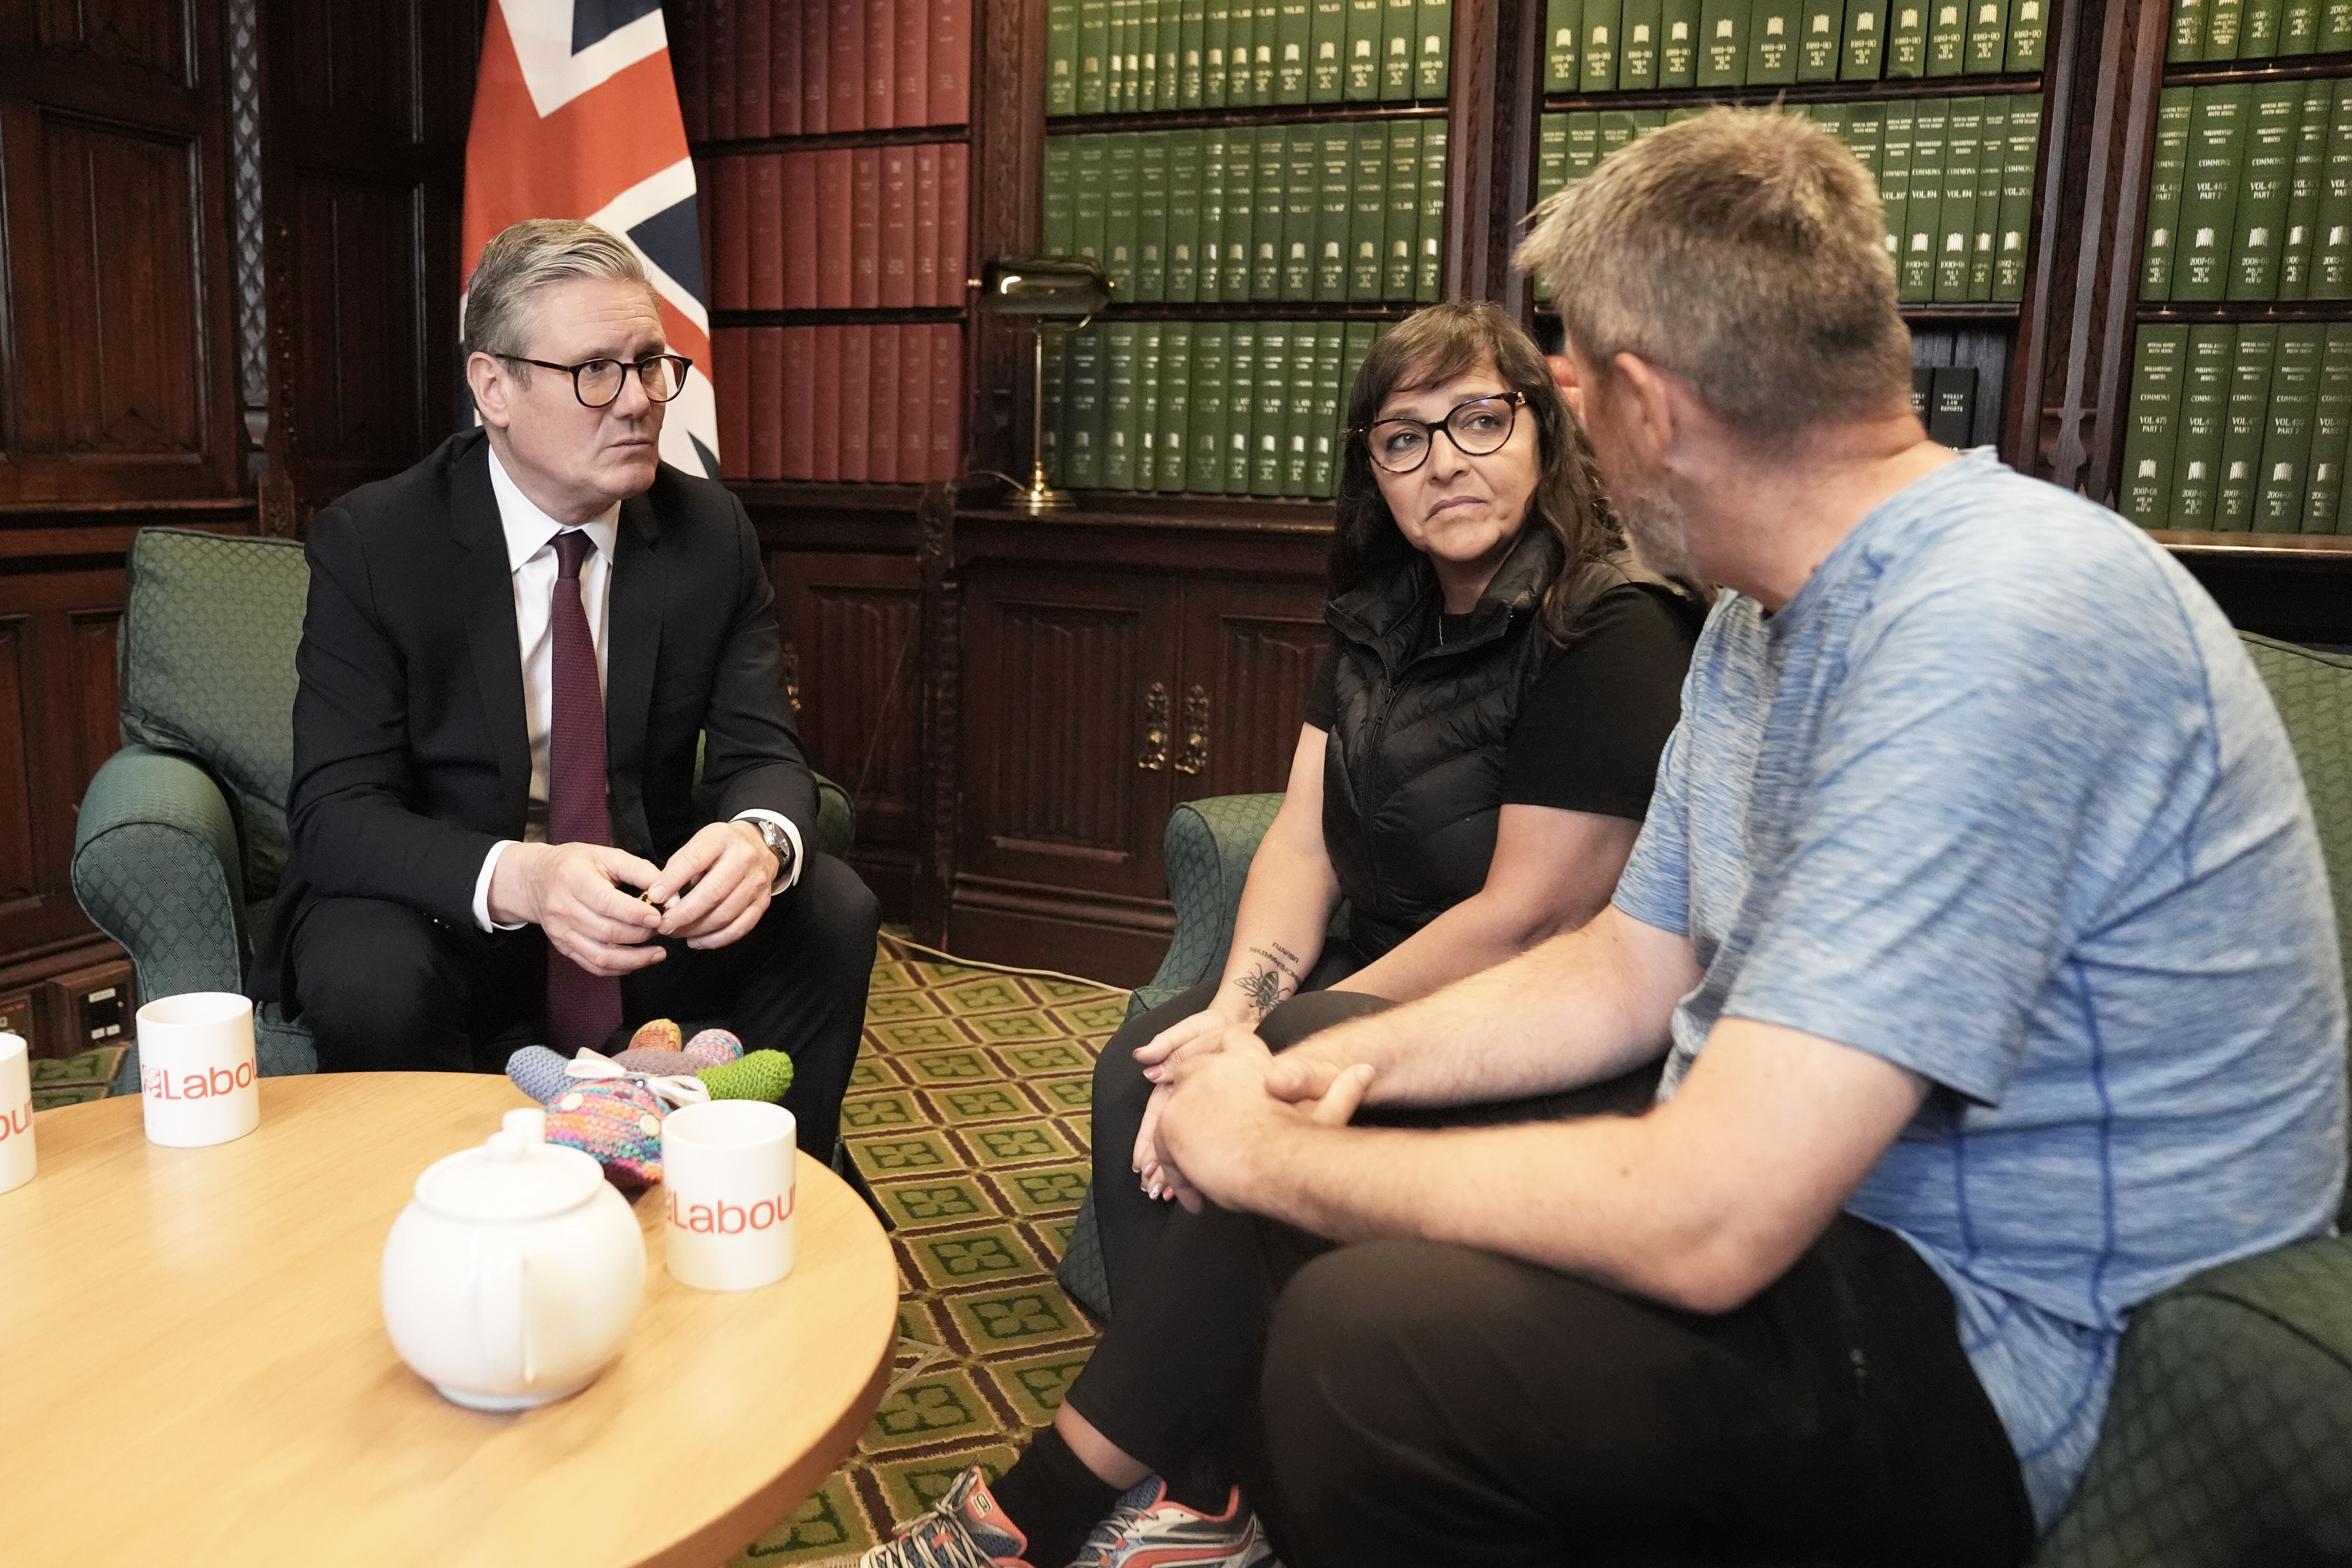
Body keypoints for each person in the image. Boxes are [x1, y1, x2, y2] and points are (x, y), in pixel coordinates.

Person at [886, 108, 2349, 1568]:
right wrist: (1309, 1061)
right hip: (1824, 1219)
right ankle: (1055, 1517)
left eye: (1566, 382)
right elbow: (1628, 963)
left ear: (1644, 403)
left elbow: (1716, 1212)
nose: (1563, 421)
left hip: (2001, 1324)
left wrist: (1276, 1156)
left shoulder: (1993, 618)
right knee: (1321, 1097)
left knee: (1363, 1340)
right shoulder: (1754, 619)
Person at [862, 302, 1703, 1568]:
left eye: (1481, 419)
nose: (1447, 462)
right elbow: (1303, 841)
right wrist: (1234, 1013)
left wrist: (1289, 1036)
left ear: (1544, 428)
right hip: (1374, 969)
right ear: (1371, 467)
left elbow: (1528, 913)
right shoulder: (1377, 611)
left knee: (1254, 1074)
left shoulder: (1610, 623)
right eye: (1405, 438)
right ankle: (1206, 1490)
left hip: (1527, 1016)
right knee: (1144, 1055)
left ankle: (1032, 1513)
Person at [247, 219, 879, 1165]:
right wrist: (524, 878)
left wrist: (760, 840)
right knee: (365, 968)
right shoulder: (378, 544)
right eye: (595, 372)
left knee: (830, 905)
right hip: (449, 916)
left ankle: (763, 1184)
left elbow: (765, 756)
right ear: (493, 387)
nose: (636, 402)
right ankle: (447, 1221)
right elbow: (336, 814)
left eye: (650, 364)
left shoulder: (711, 533)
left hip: (644, 909)